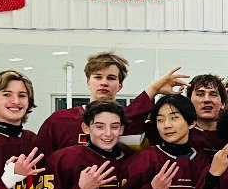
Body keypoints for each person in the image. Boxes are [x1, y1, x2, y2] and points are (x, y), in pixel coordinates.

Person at [34, 52, 184, 153]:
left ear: (120, 86)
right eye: (98, 77)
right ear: (88, 82)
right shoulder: (59, 121)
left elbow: (131, 114)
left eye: (111, 78)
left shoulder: (130, 123)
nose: (104, 82)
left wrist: (154, 89)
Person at [38, 101, 132, 189]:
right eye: (99, 127)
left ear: (122, 129)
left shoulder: (131, 159)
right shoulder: (62, 159)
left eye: (114, 127)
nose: (108, 133)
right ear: (86, 128)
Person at [185, 73, 226, 150]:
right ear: (189, 101)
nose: (207, 99)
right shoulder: (181, 134)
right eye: (200, 94)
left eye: (213, 95)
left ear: (223, 103)